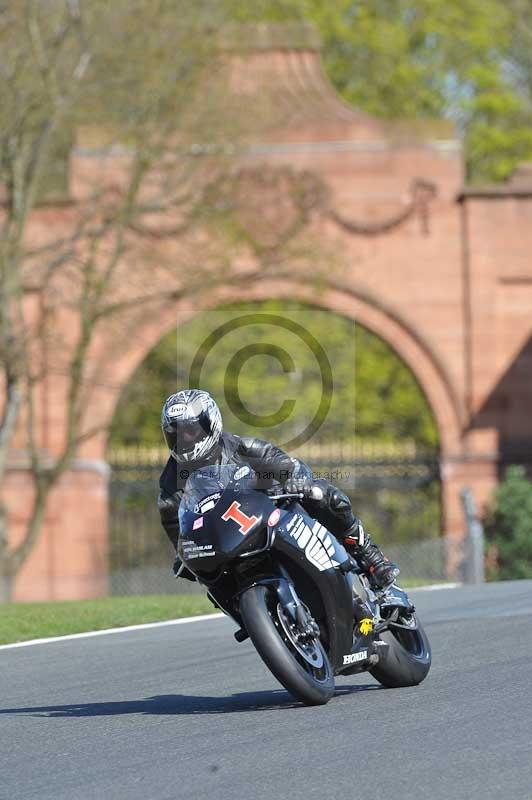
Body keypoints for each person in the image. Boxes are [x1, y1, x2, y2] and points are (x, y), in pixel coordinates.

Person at [158, 389, 399, 589]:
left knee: (323, 495)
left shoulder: (242, 448)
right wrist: (184, 555)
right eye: (175, 434)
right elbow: (178, 533)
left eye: (190, 431)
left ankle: (371, 559)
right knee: (208, 580)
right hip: (228, 542)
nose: (185, 440)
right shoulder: (170, 486)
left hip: (271, 516)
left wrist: (295, 479)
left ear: (209, 424)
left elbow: (288, 466)